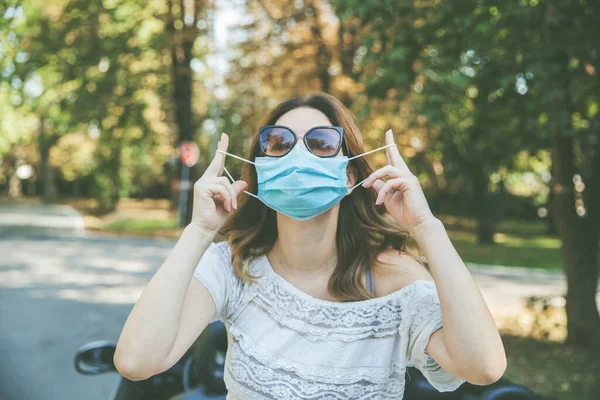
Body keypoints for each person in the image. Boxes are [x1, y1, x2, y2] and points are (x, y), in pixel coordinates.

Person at [114, 93, 507, 399]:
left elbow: (483, 367)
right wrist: (198, 230)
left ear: (349, 171)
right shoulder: (235, 267)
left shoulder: (395, 280)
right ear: (261, 167)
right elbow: (136, 360)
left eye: (321, 143)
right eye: (278, 142)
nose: (298, 155)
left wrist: (427, 226)